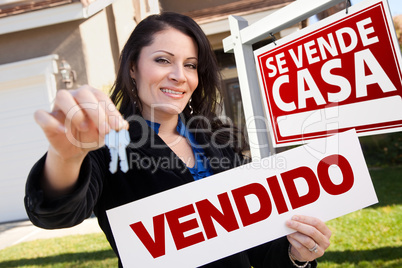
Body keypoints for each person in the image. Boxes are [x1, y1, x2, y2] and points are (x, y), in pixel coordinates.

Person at [25, 12, 331, 267]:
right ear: (133, 68)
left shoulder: (219, 141)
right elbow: (55, 214)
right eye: (162, 60)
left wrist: (297, 255)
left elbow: (260, 249)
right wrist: (66, 156)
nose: (179, 75)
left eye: (190, 64)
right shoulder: (106, 145)